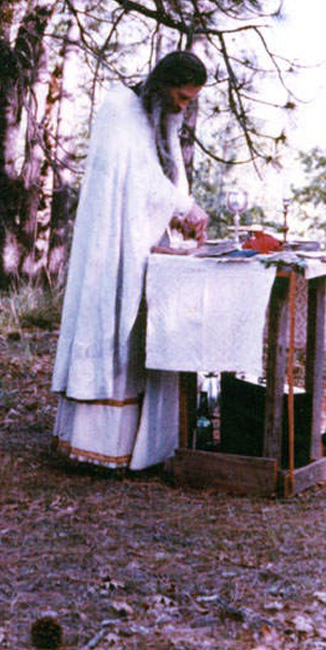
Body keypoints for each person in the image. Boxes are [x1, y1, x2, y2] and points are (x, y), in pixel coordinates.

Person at [51, 50, 209, 471]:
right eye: (181, 96)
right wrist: (182, 207)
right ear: (163, 84)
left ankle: (143, 444)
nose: (183, 107)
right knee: (114, 331)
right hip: (112, 246)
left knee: (145, 335)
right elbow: (135, 181)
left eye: (190, 100)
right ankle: (98, 445)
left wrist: (183, 207)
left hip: (142, 242)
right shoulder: (120, 110)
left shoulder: (160, 119)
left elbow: (163, 179)